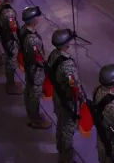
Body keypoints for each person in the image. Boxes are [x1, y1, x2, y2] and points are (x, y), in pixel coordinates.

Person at [47, 29, 83, 163]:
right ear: (66, 44)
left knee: (61, 124)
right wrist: (78, 101)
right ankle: (65, 158)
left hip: (57, 96)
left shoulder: (53, 55)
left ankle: (60, 147)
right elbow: (73, 88)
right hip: (67, 101)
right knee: (68, 129)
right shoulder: (67, 64)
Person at [19, 5, 52, 129]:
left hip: (29, 67)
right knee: (34, 95)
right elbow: (37, 58)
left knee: (29, 91)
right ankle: (35, 119)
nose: (38, 19)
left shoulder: (24, 30)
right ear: (33, 20)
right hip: (35, 70)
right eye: (36, 17)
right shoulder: (32, 39)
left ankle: (31, 115)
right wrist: (46, 65)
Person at [0, 0, 23, 94]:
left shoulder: (2, 6)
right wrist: (20, 42)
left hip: (5, 37)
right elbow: (13, 31)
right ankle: (10, 85)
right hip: (10, 41)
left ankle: (11, 82)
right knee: (11, 63)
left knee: (9, 62)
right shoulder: (9, 13)